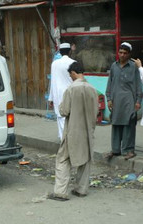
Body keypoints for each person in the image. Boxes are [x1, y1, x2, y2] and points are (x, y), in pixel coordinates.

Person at [48, 62, 98, 201]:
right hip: (88, 130)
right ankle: (81, 189)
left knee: (63, 159)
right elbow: (96, 111)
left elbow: (64, 111)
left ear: (74, 73)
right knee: (85, 159)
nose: (70, 77)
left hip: (72, 130)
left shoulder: (71, 89)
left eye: (70, 74)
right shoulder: (92, 89)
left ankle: (60, 192)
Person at [105, 42, 143, 161]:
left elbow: (138, 85)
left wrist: (138, 101)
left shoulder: (133, 67)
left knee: (128, 125)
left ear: (129, 54)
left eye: (125, 53)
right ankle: (115, 150)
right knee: (116, 124)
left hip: (129, 101)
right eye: (120, 52)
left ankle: (129, 150)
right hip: (116, 100)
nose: (122, 55)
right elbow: (110, 83)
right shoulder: (113, 66)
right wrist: (109, 99)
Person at [48, 43, 75, 140]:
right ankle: (69, 140)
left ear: (60, 51)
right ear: (69, 51)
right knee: (71, 118)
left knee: (60, 119)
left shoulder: (54, 64)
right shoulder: (73, 62)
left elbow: (53, 82)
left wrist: (51, 98)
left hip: (58, 95)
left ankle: (63, 140)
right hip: (71, 94)